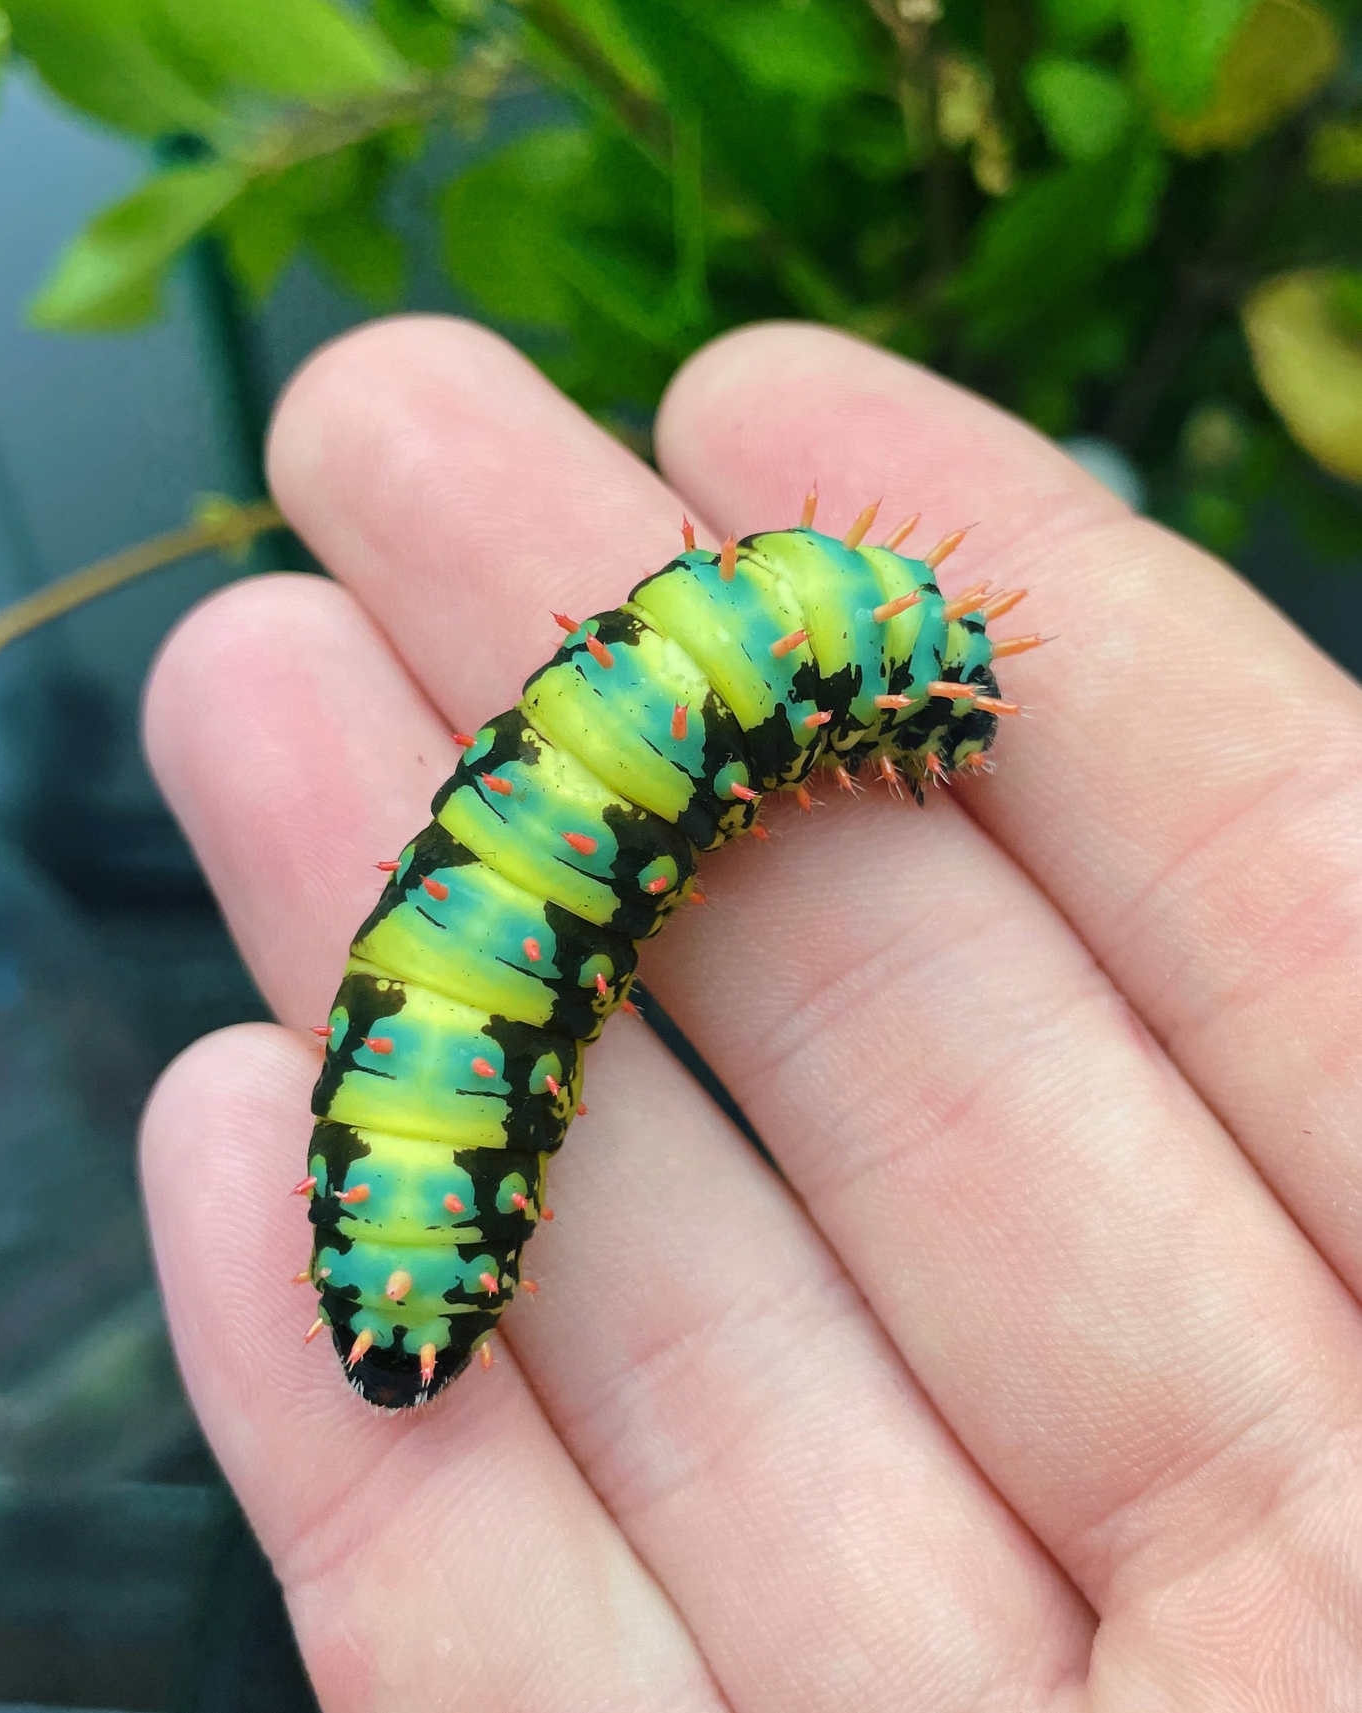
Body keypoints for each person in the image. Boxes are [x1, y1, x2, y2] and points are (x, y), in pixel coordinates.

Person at [141, 317, 1362, 1711]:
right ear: (831, 715)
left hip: (440, 1047)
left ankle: (410, 1249)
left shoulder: (761, 696)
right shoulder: (783, 696)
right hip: (432, 1106)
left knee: (496, 934)